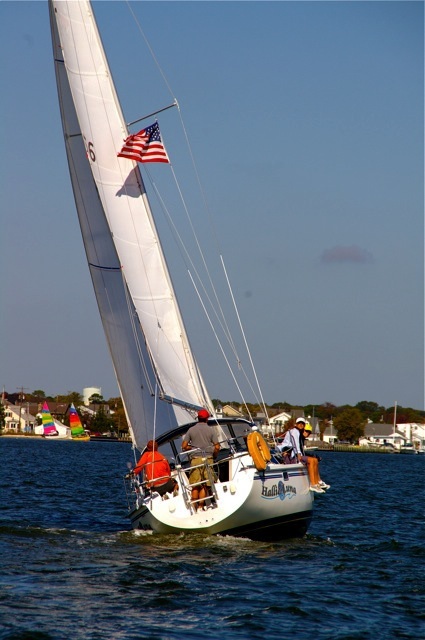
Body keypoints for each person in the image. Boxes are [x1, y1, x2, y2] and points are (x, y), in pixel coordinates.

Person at [182, 409, 220, 511]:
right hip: (208, 459)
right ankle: (200, 506)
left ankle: (194, 506)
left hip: (195, 459)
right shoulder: (211, 430)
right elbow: (217, 447)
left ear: (198, 418)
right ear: (207, 419)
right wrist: (214, 455)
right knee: (205, 484)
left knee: (195, 485)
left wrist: (193, 448)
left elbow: (184, 446)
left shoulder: (191, 430)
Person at [278, 418, 329, 493]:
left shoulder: (298, 432)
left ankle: (317, 482)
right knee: (312, 460)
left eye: (302, 424)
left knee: (315, 460)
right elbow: (295, 444)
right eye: (299, 423)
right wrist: (298, 454)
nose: (301, 425)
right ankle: (313, 484)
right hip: (293, 455)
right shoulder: (295, 431)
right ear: (296, 424)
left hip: (295, 454)